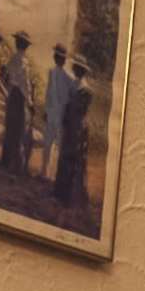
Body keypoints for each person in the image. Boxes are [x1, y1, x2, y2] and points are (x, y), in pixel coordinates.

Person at [40, 46, 86, 208]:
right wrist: (46, 109)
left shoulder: (69, 79)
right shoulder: (52, 72)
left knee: (58, 146)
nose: (58, 59)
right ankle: (43, 172)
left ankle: (52, 175)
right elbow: (48, 92)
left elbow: (69, 99)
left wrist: (65, 115)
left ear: (64, 60)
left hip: (61, 115)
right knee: (47, 142)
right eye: (56, 56)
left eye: (60, 57)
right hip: (52, 111)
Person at [0, 30, 37, 174]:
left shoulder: (13, 58)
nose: (16, 43)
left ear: (18, 44)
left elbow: (6, 75)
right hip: (19, 97)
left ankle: (6, 160)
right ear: (26, 46)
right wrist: (31, 102)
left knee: (10, 126)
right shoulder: (23, 62)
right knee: (18, 129)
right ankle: (16, 165)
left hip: (13, 94)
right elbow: (25, 85)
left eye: (17, 41)